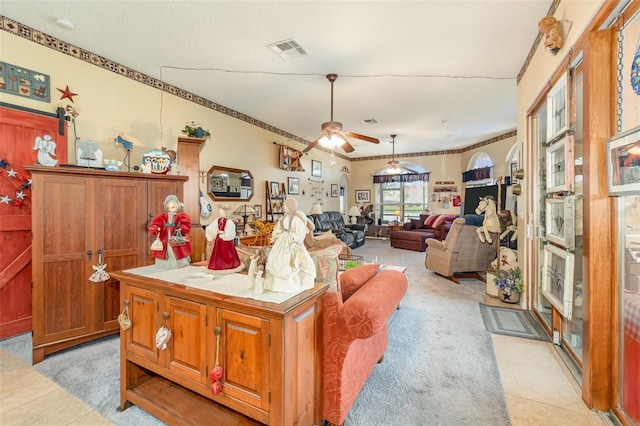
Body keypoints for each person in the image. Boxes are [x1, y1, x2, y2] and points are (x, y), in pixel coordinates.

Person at [264, 197, 315, 293]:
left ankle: (290, 285)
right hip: (283, 241)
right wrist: (276, 237)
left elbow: (300, 232)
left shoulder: (297, 219)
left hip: (291, 241)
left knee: (291, 261)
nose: (283, 207)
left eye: (285, 205)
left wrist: (295, 241)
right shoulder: (283, 219)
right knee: (278, 259)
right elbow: (278, 229)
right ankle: (276, 285)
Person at [148, 195, 192, 269]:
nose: (171, 209)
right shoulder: (162, 216)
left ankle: (179, 263)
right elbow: (156, 224)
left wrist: (181, 229)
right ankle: (164, 264)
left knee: (177, 247)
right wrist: (156, 228)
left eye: (173, 207)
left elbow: (186, 225)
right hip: (165, 234)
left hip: (175, 234)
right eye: (169, 207)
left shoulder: (181, 216)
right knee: (165, 247)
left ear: (177, 206)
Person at [206, 204, 243, 273]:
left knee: (227, 253)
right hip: (219, 239)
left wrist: (225, 236)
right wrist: (213, 235)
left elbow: (230, 231)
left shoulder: (229, 221)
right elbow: (211, 227)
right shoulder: (218, 220)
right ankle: (218, 265)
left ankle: (228, 265)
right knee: (218, 253)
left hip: (226, 240)